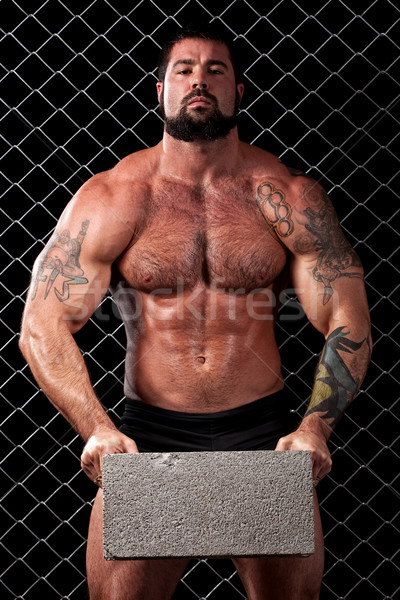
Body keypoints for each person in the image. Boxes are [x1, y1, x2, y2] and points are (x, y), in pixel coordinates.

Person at [19, 25, 371, 600]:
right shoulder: (113, 196)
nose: (199, 81)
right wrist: (97, 429)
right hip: (149, 436)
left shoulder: (286, 195)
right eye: (184, 70)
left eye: (215, 70)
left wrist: (315, 426)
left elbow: (347, 320)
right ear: (159, 91)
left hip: (265, 433)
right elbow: (41, 324)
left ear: (240, 92)